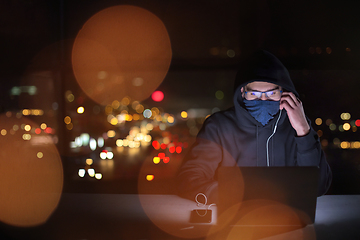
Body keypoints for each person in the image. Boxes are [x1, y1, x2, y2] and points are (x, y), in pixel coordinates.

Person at [176, 50, 332, 203]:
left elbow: (318, 187)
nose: (263, 100)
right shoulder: (219, 126)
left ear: (283, 92)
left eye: (271, 94)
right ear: (243, 92)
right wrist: (229, 196)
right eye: (255, 94)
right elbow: (189, 178)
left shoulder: (296, 126)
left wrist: (304, 131)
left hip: (287, 219)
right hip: (232, 219)